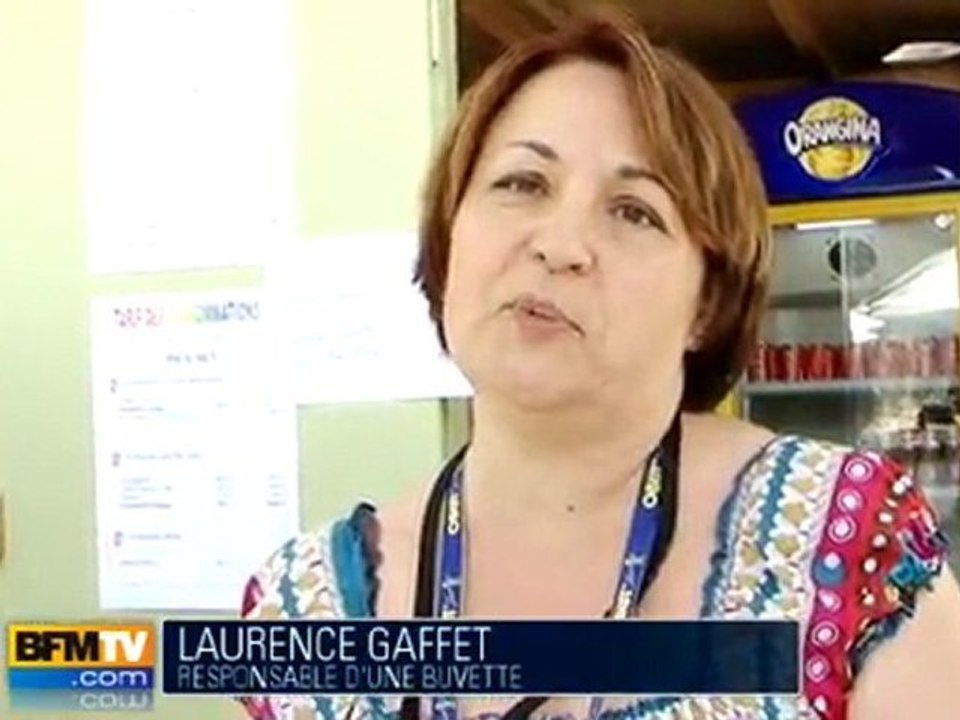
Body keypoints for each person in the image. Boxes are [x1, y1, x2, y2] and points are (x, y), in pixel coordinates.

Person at [238, 9, 960, 720]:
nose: (561, 245)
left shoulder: (848, 538)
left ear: (707, 304)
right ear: (448, 235)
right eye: (522, 183)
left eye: (633, 211)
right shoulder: (301, 607)